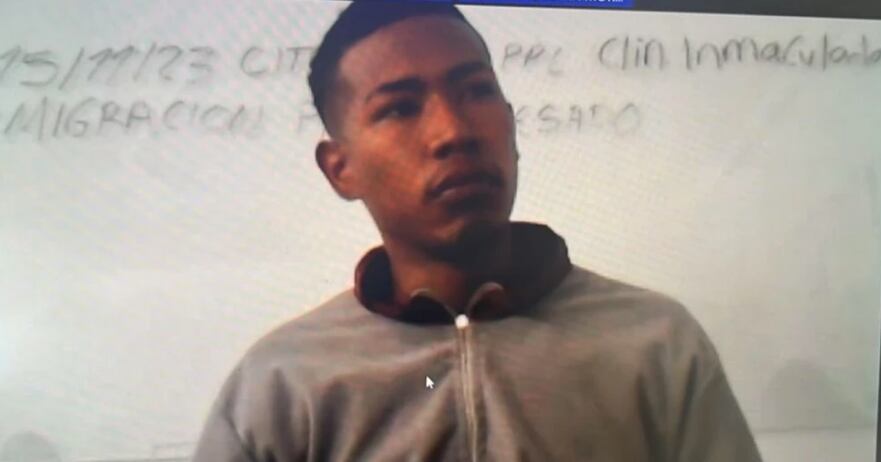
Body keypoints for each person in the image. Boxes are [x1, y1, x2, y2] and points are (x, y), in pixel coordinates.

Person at [192, 1, 763, 461]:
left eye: (477, 91)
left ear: (511, 126)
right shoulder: (283, 384)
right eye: (400, 108)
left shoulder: (654, 345)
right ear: (340, 169)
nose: (454, 131)